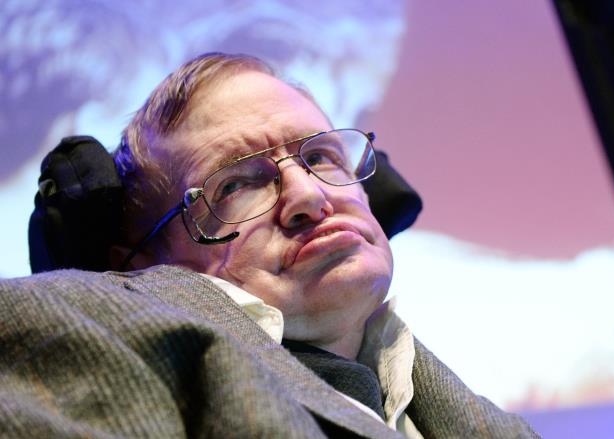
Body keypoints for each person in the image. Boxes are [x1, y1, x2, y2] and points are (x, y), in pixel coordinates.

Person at [0, 53, 539, 438]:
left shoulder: (493, 424)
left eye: (322, 157)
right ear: (137, 262)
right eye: (237, 184)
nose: (310, 196)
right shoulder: (65, 321)